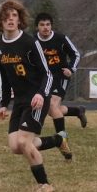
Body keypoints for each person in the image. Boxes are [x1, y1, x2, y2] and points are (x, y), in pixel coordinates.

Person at [0, 0, 66, 192]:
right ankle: (57, 141)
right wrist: (4, 103)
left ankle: (45, 184)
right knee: (16, 147)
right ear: (1, 21)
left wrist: (42, 95)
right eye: (6, 16)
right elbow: (5, 76)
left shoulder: (29, 42)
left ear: (19, 20)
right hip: (19, 101)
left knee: (24, 141)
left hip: (36, 100)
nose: (10, 19)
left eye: (14, 16)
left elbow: (48, 73)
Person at [34, 12, 87, 160]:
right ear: (37, 27)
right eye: (42, 25)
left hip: (60, 77)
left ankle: (63, 143)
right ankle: (77, 111)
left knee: (51, 105)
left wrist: (71, 69)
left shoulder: (60, 38)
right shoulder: (33, 41)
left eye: (48, 24)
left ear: (51, 26)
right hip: (44, 79)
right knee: (52, 110)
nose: (45, 28)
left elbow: (76, 54)